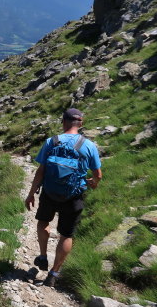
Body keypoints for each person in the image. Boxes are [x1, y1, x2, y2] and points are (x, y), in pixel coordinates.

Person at [25, 108, 102, 287]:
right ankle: (54, 273)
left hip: (50, 192)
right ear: (80, 123)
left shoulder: (51, 142)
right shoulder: (89, 145)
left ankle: (43, 256)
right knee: (66, 235)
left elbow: (41, 171)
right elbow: (98, 174)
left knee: (43, 223)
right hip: (74, 195)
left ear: (63, 122)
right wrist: (94, 181)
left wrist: (31, 193)